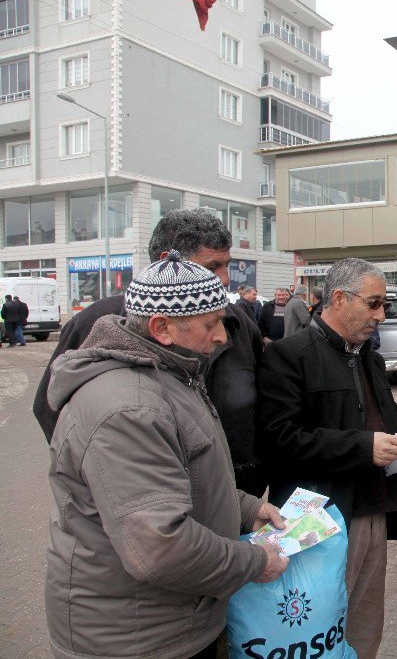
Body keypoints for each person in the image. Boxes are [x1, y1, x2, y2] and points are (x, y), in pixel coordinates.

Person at [45, 252, 289, 659]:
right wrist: (252, 561)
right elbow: (159, 546)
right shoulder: (129, 408)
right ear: (161, 328)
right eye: (211, 324)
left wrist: (245, 509)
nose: (222, 337)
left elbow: (184, 474)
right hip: (136, 638)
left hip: (168, 620)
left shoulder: (168, 374)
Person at [256, 258, 397, 659]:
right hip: (321, 520)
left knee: (364, 629)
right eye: (374, 303)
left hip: (376, 510)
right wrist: (363, 447)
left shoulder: (369, 358)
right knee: (319, 629)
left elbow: (392, 424)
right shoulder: (290, 356)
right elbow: (280, 440)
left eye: (384, 306)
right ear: (339, 299)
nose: (381, 315)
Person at [33, 208, 268, 496]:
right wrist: (98, 481)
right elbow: (53, 408)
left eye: (226, 265)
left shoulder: (238, 324)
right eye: (212, 267)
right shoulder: (95, 322)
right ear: (167, 263)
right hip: (135, 506)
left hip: (235, 497)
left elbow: (262, 404)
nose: (225, 278)